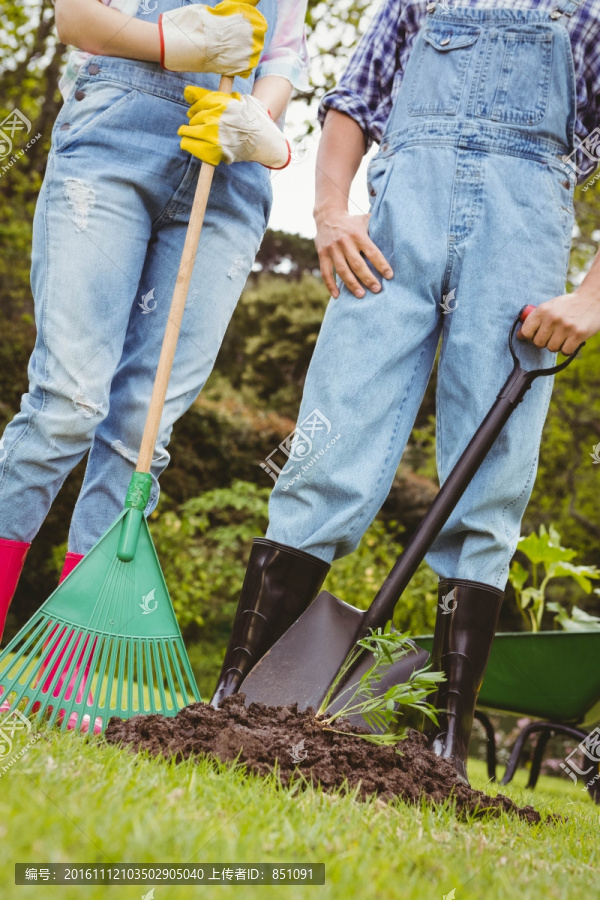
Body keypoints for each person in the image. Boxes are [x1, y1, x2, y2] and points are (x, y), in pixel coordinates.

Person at [211, 0, 600, 783]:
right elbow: (355, 102)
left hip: (520, 228)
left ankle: (446, 740)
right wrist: (327, 212)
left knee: (489, 486)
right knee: (329, 441)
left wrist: (593, 296)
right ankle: (238, 691)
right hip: (392, 229)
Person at [0, 0, 309, 729]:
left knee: (141, 432)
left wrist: (257, 123)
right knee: (68, 404)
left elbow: (283, 60)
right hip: (116, 132)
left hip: (226, 174)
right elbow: (75, 19)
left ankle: (64, 682)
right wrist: (175, 40)